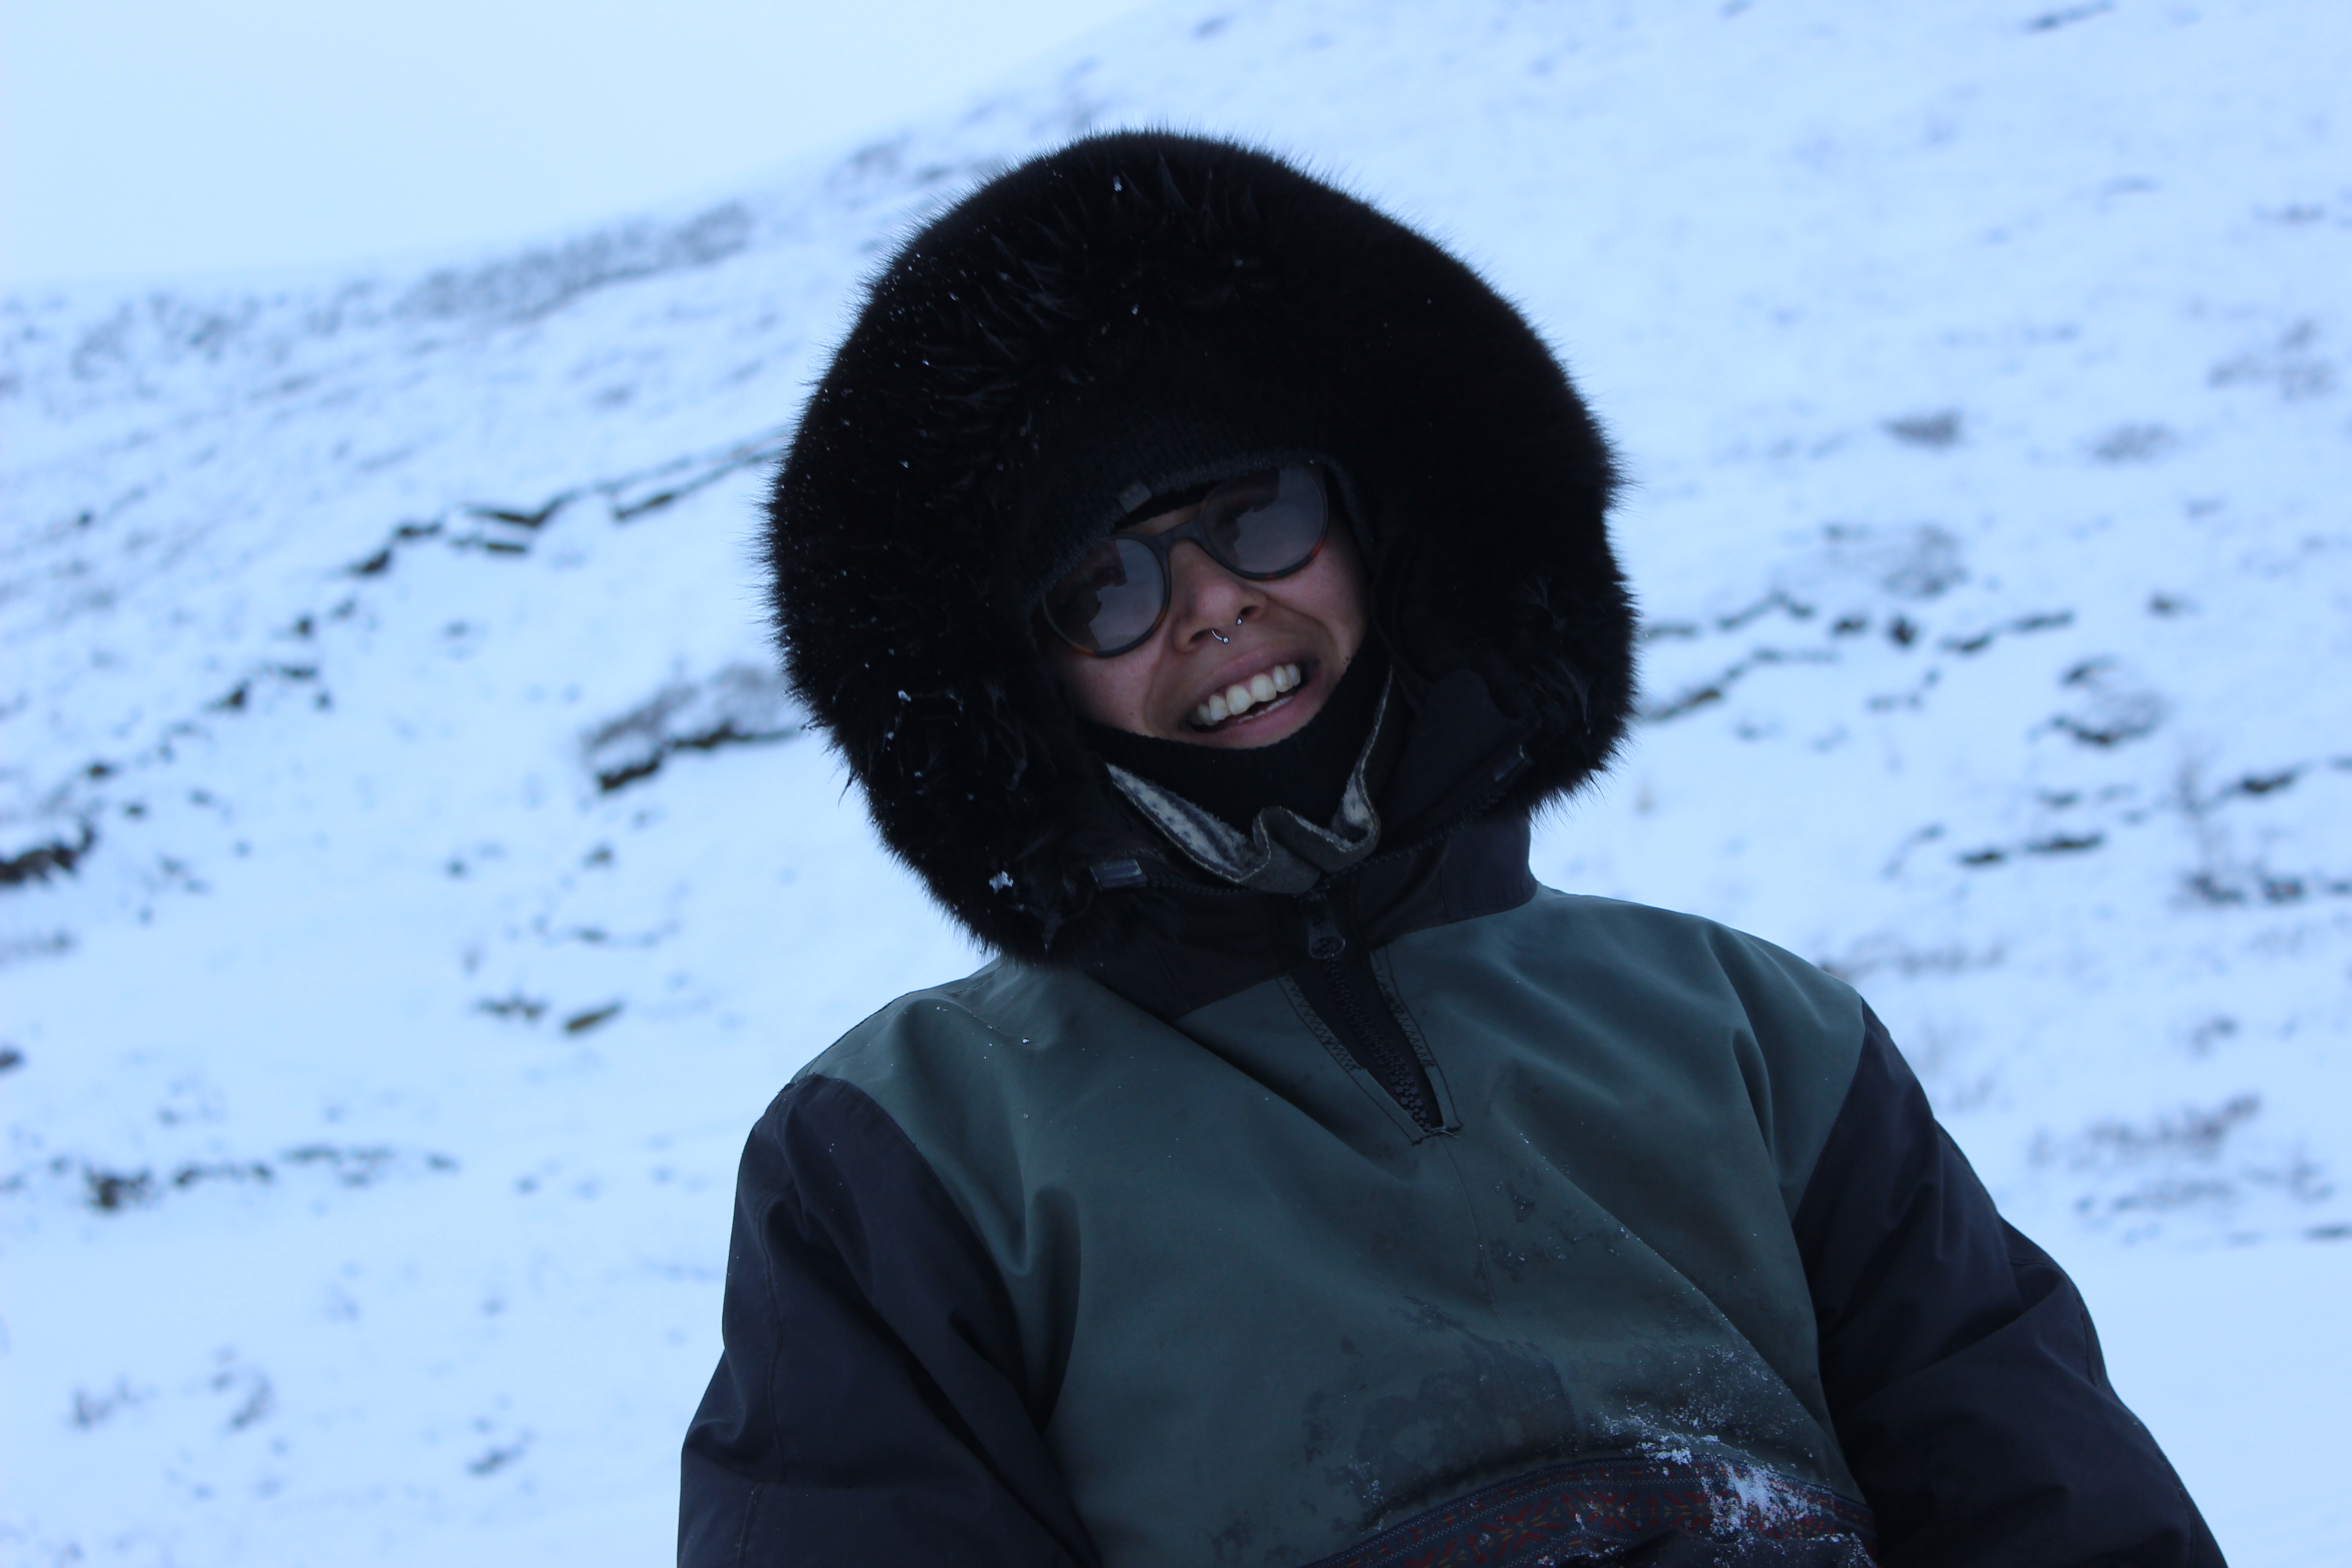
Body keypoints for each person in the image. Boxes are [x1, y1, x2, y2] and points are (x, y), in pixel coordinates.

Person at [679, 133, 2220, 1568]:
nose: (1211, 604)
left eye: (1255, 515)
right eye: (1109, 588)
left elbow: (2046, 1495)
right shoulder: (905, 1154)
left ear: (1383, 529)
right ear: (1027, 678)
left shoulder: (1754, 1034)